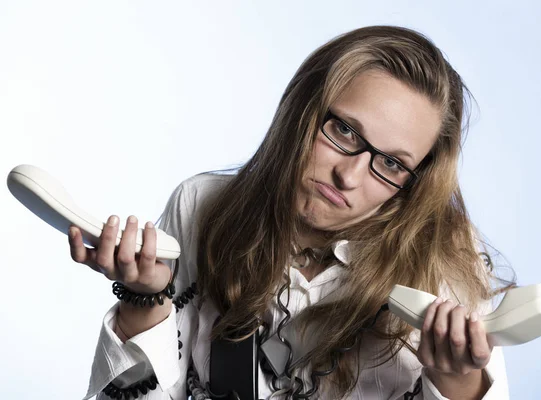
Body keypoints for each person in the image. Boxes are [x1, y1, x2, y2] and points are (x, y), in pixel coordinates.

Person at [70, 25, 512, 399]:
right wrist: (144, 300)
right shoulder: (203, 206)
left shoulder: (443, 260)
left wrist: (459, 381)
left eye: (392, 164)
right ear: (301, 108)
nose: (350, 176)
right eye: (343, 130)